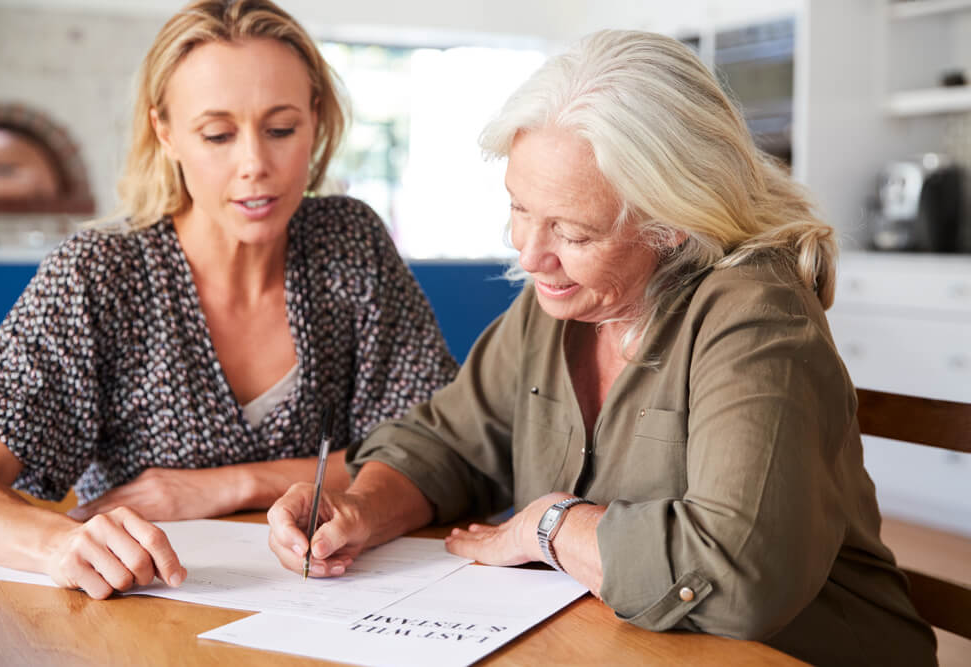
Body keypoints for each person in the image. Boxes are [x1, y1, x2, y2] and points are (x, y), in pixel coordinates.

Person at [267, 30, 938, 666]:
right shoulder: (556, 307)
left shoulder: (757, 317)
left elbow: (736, 577)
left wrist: (549, 525)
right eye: (519, 208)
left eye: (574, 232)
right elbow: (449, 441)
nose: (530, 255)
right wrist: (359, 505)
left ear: (675, 221)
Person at [0, 0, 456, 600]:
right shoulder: (97, 275)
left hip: (342, 603)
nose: (255, 164)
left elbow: (442, 453)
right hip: (145, 616)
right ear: (166, 132)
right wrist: (55, 544)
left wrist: (231, 485)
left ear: (316, 117)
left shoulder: (349, 244)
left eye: (281, 129)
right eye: (218, 134)